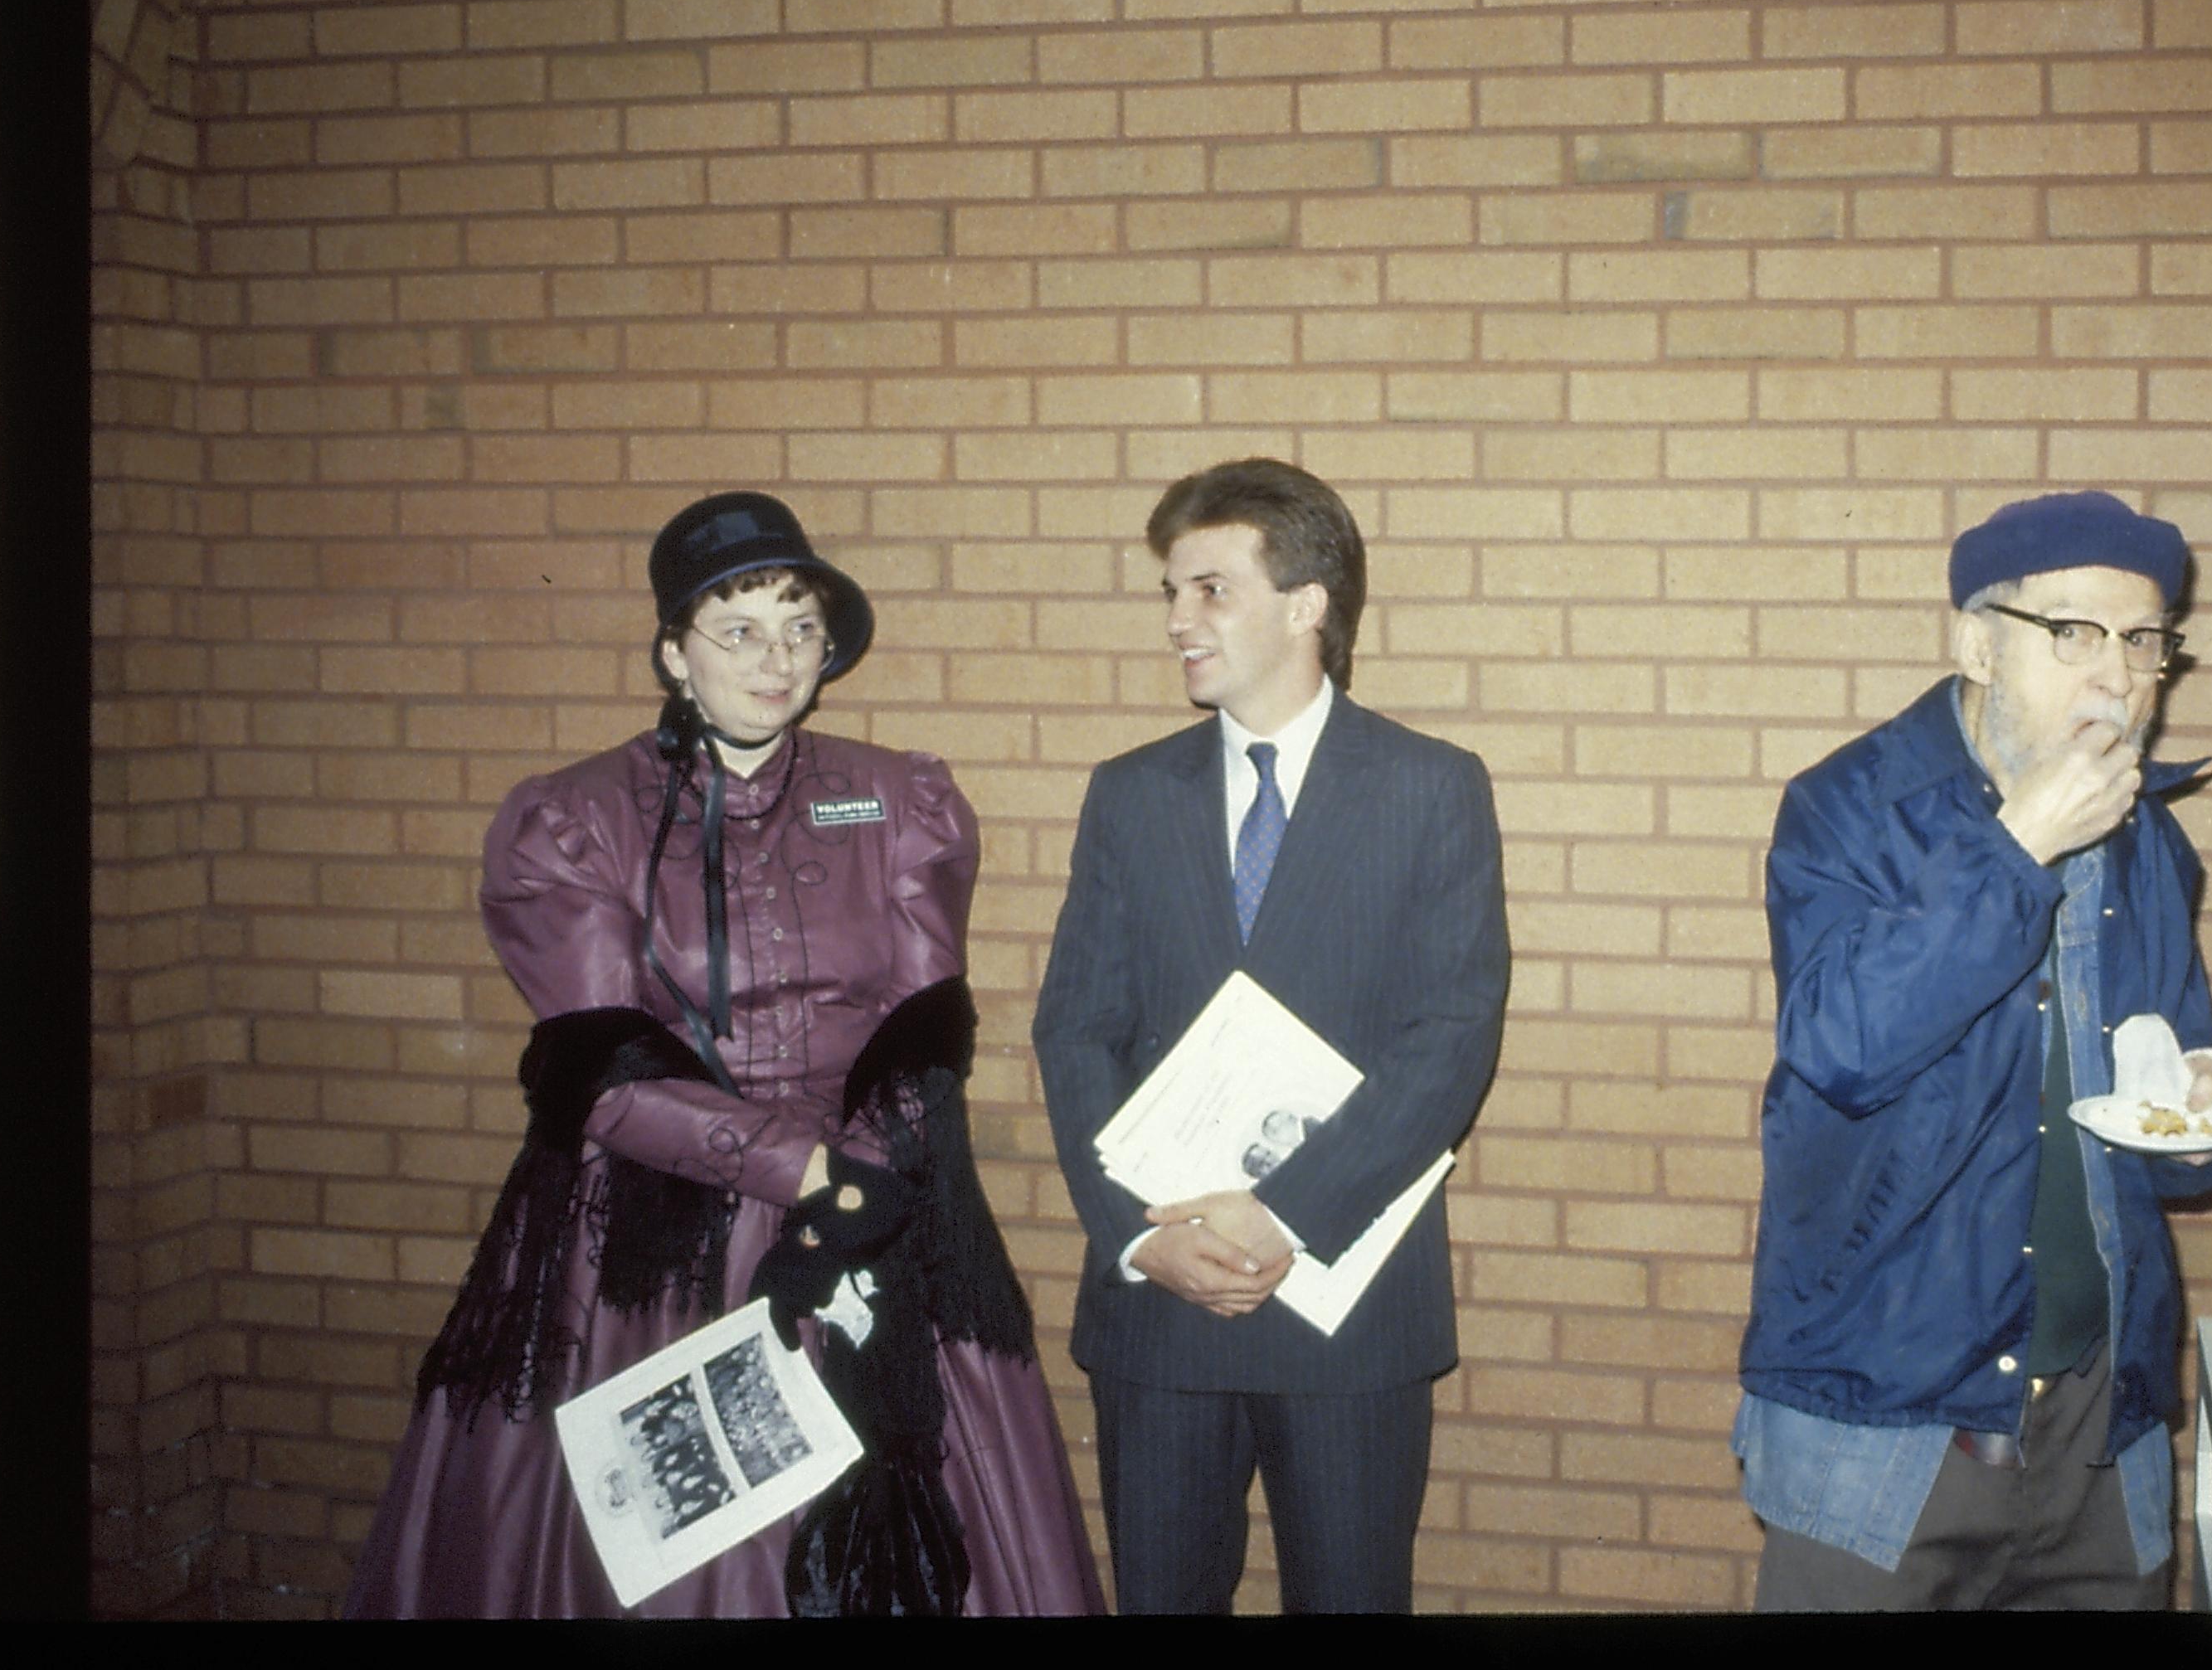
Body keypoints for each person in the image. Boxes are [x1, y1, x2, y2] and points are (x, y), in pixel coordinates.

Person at [345, 491, 1106, 1617]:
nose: (778, 657)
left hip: (874, 1202)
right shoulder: (576, 819)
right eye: (739, 629)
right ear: (672, 652)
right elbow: (601, 1073)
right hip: (658, 1242)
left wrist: (854, 1192)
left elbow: (918, 1036)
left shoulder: (901, 799)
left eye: (799, 627)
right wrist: (799, 1174)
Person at [1733, 490, 2212, 1611]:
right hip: (1885, 1428)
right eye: (2073, 634)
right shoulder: (1848, 813)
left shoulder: (2150, 841)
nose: (2116, 677)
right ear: (1977, 644)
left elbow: (2178, 1120)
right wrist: (2020, 846)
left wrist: (2211, 1105)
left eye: (2143, 641)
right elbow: (1842, 1047)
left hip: (2098, 1430)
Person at [1032, 459, 1509, 1614]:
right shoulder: (1128, 794)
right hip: (1160, 1308)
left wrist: (1283, 1211)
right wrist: (1138, 1242)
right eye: (1169, 593)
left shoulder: (1430, 787)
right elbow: (1075, 1030)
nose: (1179, 621)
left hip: (1343, 1307)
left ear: (1308, 604)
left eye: (1209, 589)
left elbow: (1449, 1037)